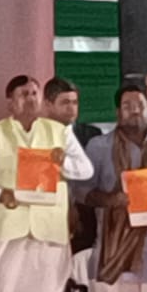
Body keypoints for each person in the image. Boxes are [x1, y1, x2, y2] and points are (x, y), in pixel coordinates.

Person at [0, 74, 94, 292]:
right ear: (10, 102)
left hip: (50, 230)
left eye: (33, 94)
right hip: (11, 229)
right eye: (23, 94)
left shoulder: (59, 131)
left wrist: (63, 163)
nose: (30, 99)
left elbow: (86, 170)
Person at [82, 85, 147, 292]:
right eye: (128, 106)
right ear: (117, 112)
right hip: (117, 248)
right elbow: (81, 192)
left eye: (140, 105)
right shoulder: (99, 147)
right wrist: (112, 200)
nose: (135, 111)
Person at [45, 76, 102, 255]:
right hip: (50, 214)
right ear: (48, 104)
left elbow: (96, 176)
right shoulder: (39, 134)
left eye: (75, 102)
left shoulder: (92, 134)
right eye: (65, 103)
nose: (71, 108)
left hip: (87, 213)